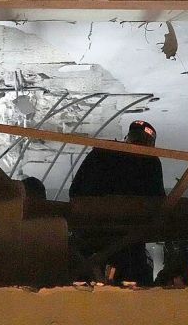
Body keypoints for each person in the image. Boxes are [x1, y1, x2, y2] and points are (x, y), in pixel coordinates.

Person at [69, 120, 164, 285]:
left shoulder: (102, 153)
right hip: (128, 241)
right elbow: (159, 202)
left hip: (94, 235)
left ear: (128, 137)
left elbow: (75, 191)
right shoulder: (150, 163)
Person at [69, 120, 164, 198]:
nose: (137, 143)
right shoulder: (152, 162)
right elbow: (159, 197)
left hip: (89, 212)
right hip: (136, 216)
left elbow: (74, 190)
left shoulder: (103, 151)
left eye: (141, 139)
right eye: (135, 137)